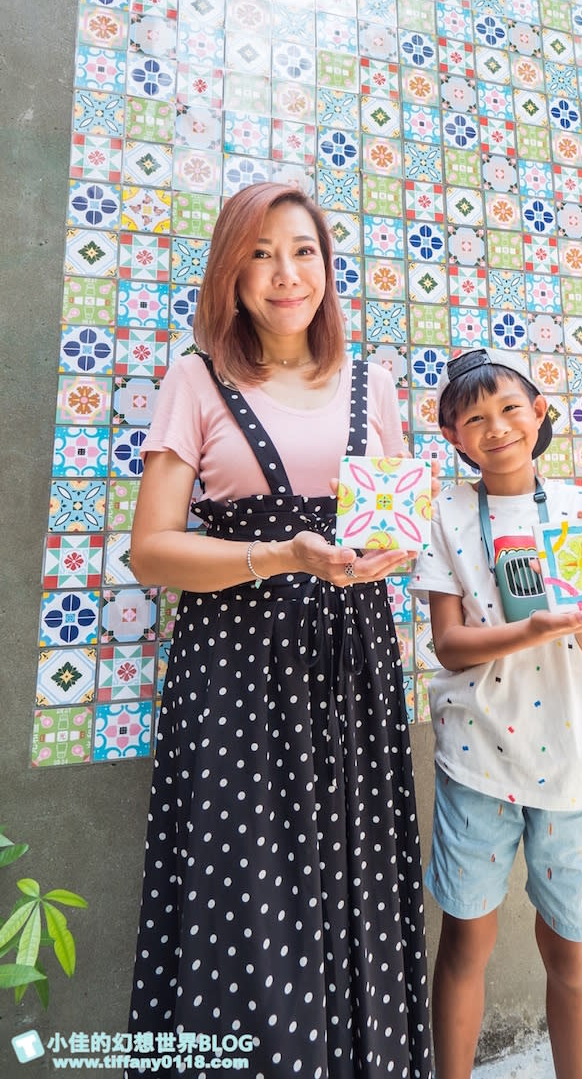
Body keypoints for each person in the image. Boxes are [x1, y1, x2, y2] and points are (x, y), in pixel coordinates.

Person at [127, 182, 431, 1079]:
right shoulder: (196, 378)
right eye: (259, 253)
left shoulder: (371, 380)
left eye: (302, 250)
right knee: (248, 902)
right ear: (231, 272)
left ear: (327, 268)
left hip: (353, 667)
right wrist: (282, 557)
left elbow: (395, 532)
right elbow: (151, 550)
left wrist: (380, 557)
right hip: (234, 680)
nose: (284, 273)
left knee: (358, 884)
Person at [410, 348, 582, 1079]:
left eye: (510, 408)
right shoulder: (445, 512)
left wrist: (579, 621)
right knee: (464, 947)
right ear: (450, 433)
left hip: (575, 764)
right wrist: (529, 629)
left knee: (570, 952)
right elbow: (449, 646)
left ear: (539, 412)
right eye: (473, 417)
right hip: (477, 763)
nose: (496, 427)